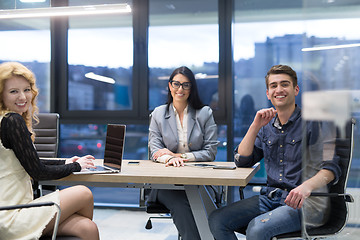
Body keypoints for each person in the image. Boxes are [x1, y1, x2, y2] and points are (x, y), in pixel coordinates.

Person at [208, 64, 341, 240]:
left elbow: (331, 169)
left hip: (306, 204)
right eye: (273, 85)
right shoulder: (266, 126)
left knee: (256, 230)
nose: (279, 89)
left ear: (296, 89)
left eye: (285, 84)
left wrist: (306, 187)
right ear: (268, 93)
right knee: (217, 219)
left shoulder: (314, 122)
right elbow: (243, 160)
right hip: (271, 198)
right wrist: (255, 126)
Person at [0, 62, 99, 240]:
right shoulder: (12, 120)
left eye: (26, 89)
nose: (22, 97)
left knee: (87, 228)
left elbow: (29, 161)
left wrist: (67, 162)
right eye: (14, 91)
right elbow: (37, 171)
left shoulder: (4, 120)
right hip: (10, 215)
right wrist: (76, 167)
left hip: (16, 210)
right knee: (84, 193)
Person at [148, 66, 219, 240]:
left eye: (186, 85)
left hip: (199, 181)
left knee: (202, 208)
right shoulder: (158, 113)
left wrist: (181, 157)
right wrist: (168, 158)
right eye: (176, 84)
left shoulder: (204, 113)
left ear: (191, 88)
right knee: (182, 205)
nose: (180, 89)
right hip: (166, 183)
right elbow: (154, 149)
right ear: (169, 86)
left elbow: (211, 151)